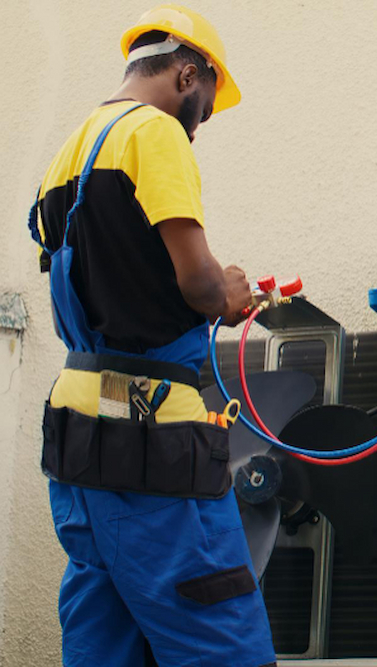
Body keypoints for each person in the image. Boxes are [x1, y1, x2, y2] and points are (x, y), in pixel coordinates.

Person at [27, 5, 276, 666]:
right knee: (220, 629)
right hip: (150, 435)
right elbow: (197, 284)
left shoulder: (72, 148)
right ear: (187, 74)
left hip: (79, 428)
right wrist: (228, 291)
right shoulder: (155, 133)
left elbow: (104, 277)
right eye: (204, 109)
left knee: (103, 632)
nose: (198, 127)